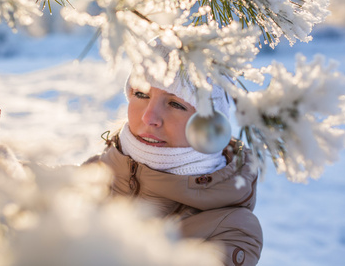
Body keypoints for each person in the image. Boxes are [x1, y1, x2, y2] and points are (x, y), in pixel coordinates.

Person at [83, 43, 263, 266]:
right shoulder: (90, 176)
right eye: (141, 94)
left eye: (176, 104)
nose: (150, 117)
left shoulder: (231, 229)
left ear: (209, 124)